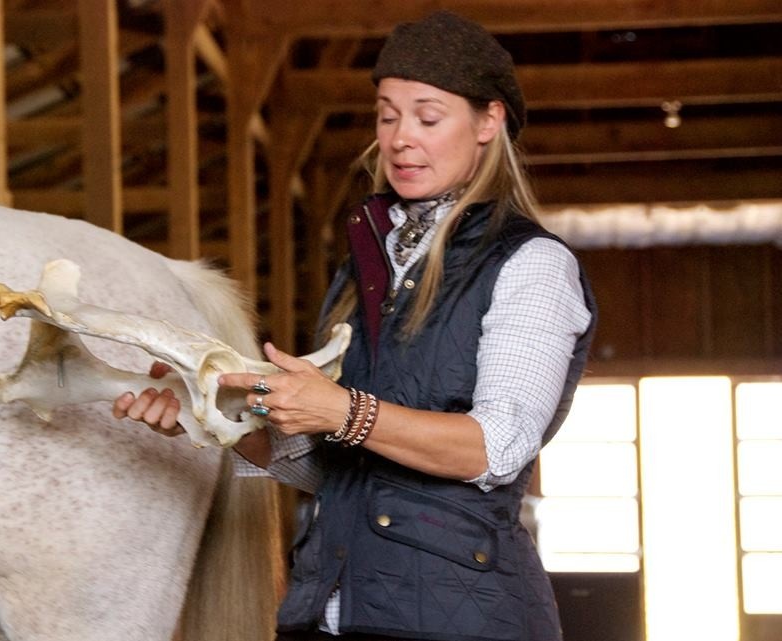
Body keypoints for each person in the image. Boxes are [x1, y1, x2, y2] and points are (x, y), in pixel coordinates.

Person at [114, 11, 596, 641]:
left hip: (461, 620)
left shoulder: (532, 264)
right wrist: (213, 417)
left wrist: (344, 411)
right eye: (387, 116)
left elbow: (497, 449)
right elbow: (332, 470)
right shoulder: (364, 266)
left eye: (427, 118)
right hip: (327, 611)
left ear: (488, 122)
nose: (401, 139)